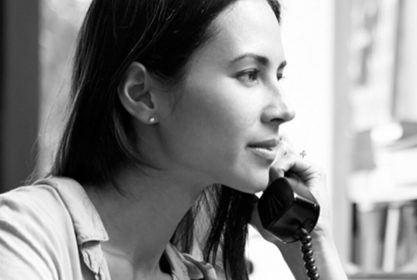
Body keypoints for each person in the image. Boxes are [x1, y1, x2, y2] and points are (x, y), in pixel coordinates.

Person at [0, 0, 348, 279]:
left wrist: (312, 246)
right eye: (249, 74)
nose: (284, 109)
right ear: (143, 95)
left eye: (278, 75)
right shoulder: (24, 238)